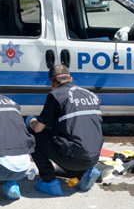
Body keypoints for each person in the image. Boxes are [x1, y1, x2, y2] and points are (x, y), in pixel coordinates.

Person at [25, 65, 103, 196]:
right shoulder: (91, 95)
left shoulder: (56, 96)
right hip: (94, 157)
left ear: (51, 82)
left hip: (74, 158)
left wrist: (31, 120)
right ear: (70, 78)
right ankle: (86, 172)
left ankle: (49, 182)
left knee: (33, 134)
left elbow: (38, 128)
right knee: (72, 141)